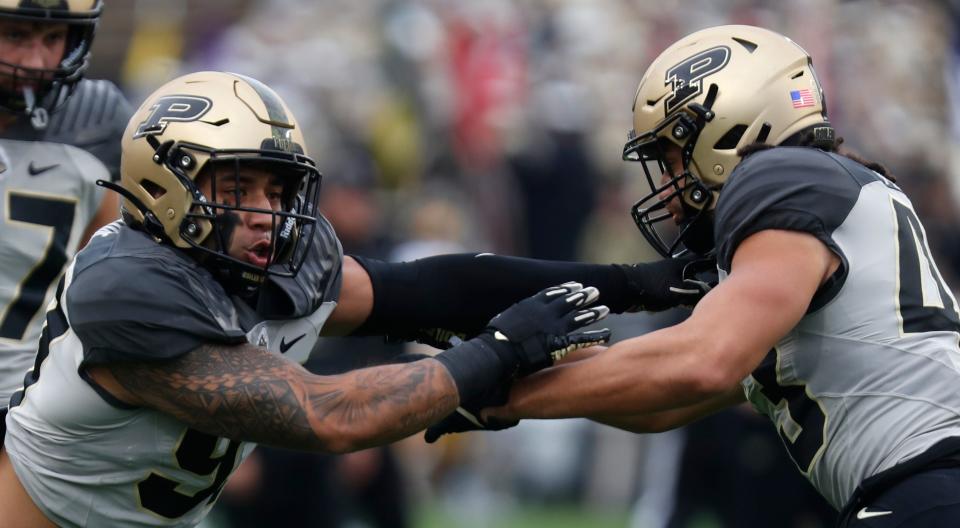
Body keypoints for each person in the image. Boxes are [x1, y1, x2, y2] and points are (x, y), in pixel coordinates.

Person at [0, 70, 709, 528]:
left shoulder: (271, 258)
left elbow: (435, 287)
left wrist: (633, 284)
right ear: (163, 184)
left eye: (275, 190)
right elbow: (323, 414)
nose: (264, 213)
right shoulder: (127, 288)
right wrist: (498, 353)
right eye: (236, 187)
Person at [438, 24, 960, 527]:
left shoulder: (777, 176)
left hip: (927, 483)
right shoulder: (836, 194)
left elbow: (701, 360)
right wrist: (505, 391)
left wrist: (484, 372)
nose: (669, 182)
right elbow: (665, 401)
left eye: (672, 157)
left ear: (731, 128)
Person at [0, 0, 132, 403]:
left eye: (54, 37)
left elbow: (105, 271)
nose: (36, 60)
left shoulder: (97, 123)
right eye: (15, 35)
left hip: (22, 406)